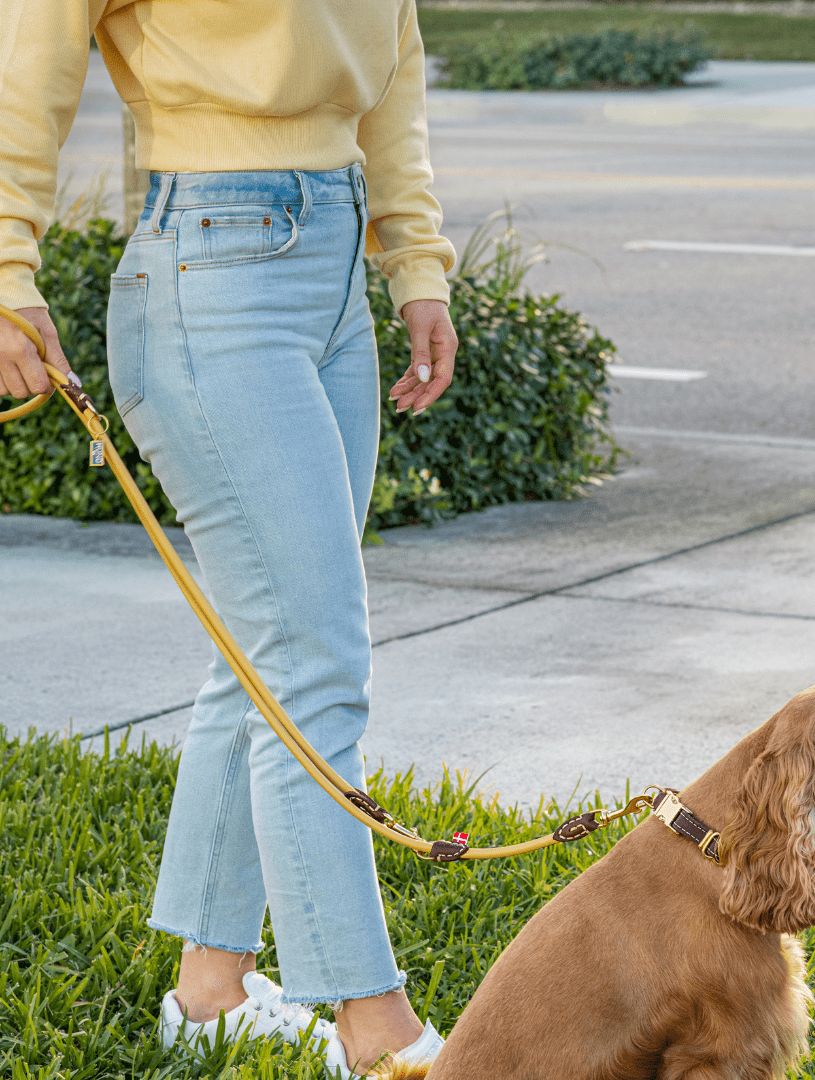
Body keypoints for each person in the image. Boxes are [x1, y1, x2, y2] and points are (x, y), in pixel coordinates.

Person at [0, 1, 459, 1074]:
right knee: (314, 663)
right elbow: (29, 54)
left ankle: (209, 993)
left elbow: (393, 64)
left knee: (263, 658)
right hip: (211, 271)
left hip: (336, 270)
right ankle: (374, 1025)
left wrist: (417, 265)